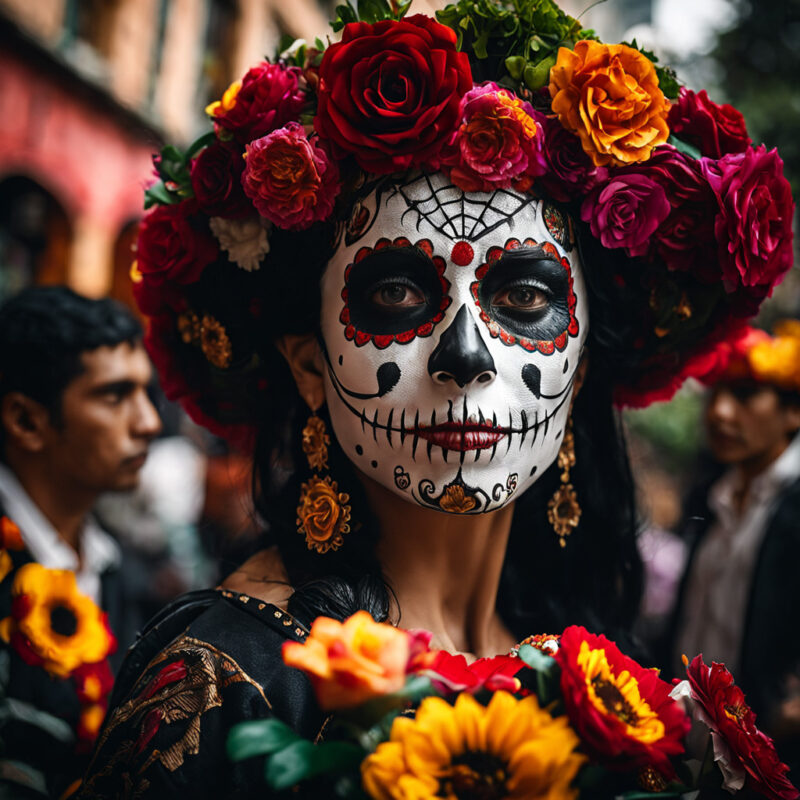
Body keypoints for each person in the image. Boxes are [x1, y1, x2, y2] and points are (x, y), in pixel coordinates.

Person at [78, 1, 794, 796]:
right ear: (310, 366)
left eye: (524, 298)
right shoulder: (225, 679)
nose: (465, 356)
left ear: (581, 370)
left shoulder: (595, 691)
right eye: (394, 292)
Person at [0, 286, 162, 798]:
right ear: (27, 421)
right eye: (114, 395)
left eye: (145, 392)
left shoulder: (121, 569)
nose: (149, 422)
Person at [663, 322, 800, 766]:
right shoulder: (714, 494)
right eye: (715, 394)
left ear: (793, 411)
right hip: (688, 746)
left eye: (743, 395)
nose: (720, 412)